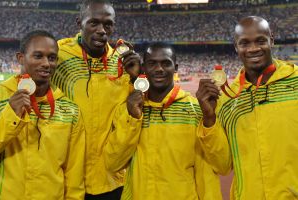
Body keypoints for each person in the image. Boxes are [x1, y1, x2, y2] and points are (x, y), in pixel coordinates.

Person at [103, 42, 231, 200]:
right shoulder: (129, 110)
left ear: (175, 68)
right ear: (144, 68)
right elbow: (112, 164)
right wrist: (133, 119)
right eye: (152, 63)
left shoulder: (197, 110)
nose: (159, 69)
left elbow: (223, 165)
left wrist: (210, 119)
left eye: (166, 63)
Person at [197, 16, 298, 200]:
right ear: (236, 46)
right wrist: (209, 119)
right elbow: (223, 165)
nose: (253, 49)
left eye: (260, 41)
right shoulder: (227, 99)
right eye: (244, 43)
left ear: (272, 40)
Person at [50, 0, 141, 199]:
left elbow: (140, 107)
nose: (101, 30)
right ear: (79, 22)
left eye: (108, 24)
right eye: (93, 23)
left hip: (111, 179)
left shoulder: (123, 62)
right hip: (68, 179)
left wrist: (138, 77)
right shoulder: (57, 55)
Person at [0, 30, 85, 200]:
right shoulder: (0, 97)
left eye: (52, 58)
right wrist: (11, 116)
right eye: (38, 56)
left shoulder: (70, 110)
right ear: (20, 58)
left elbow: (74, 174)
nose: (46, 63)